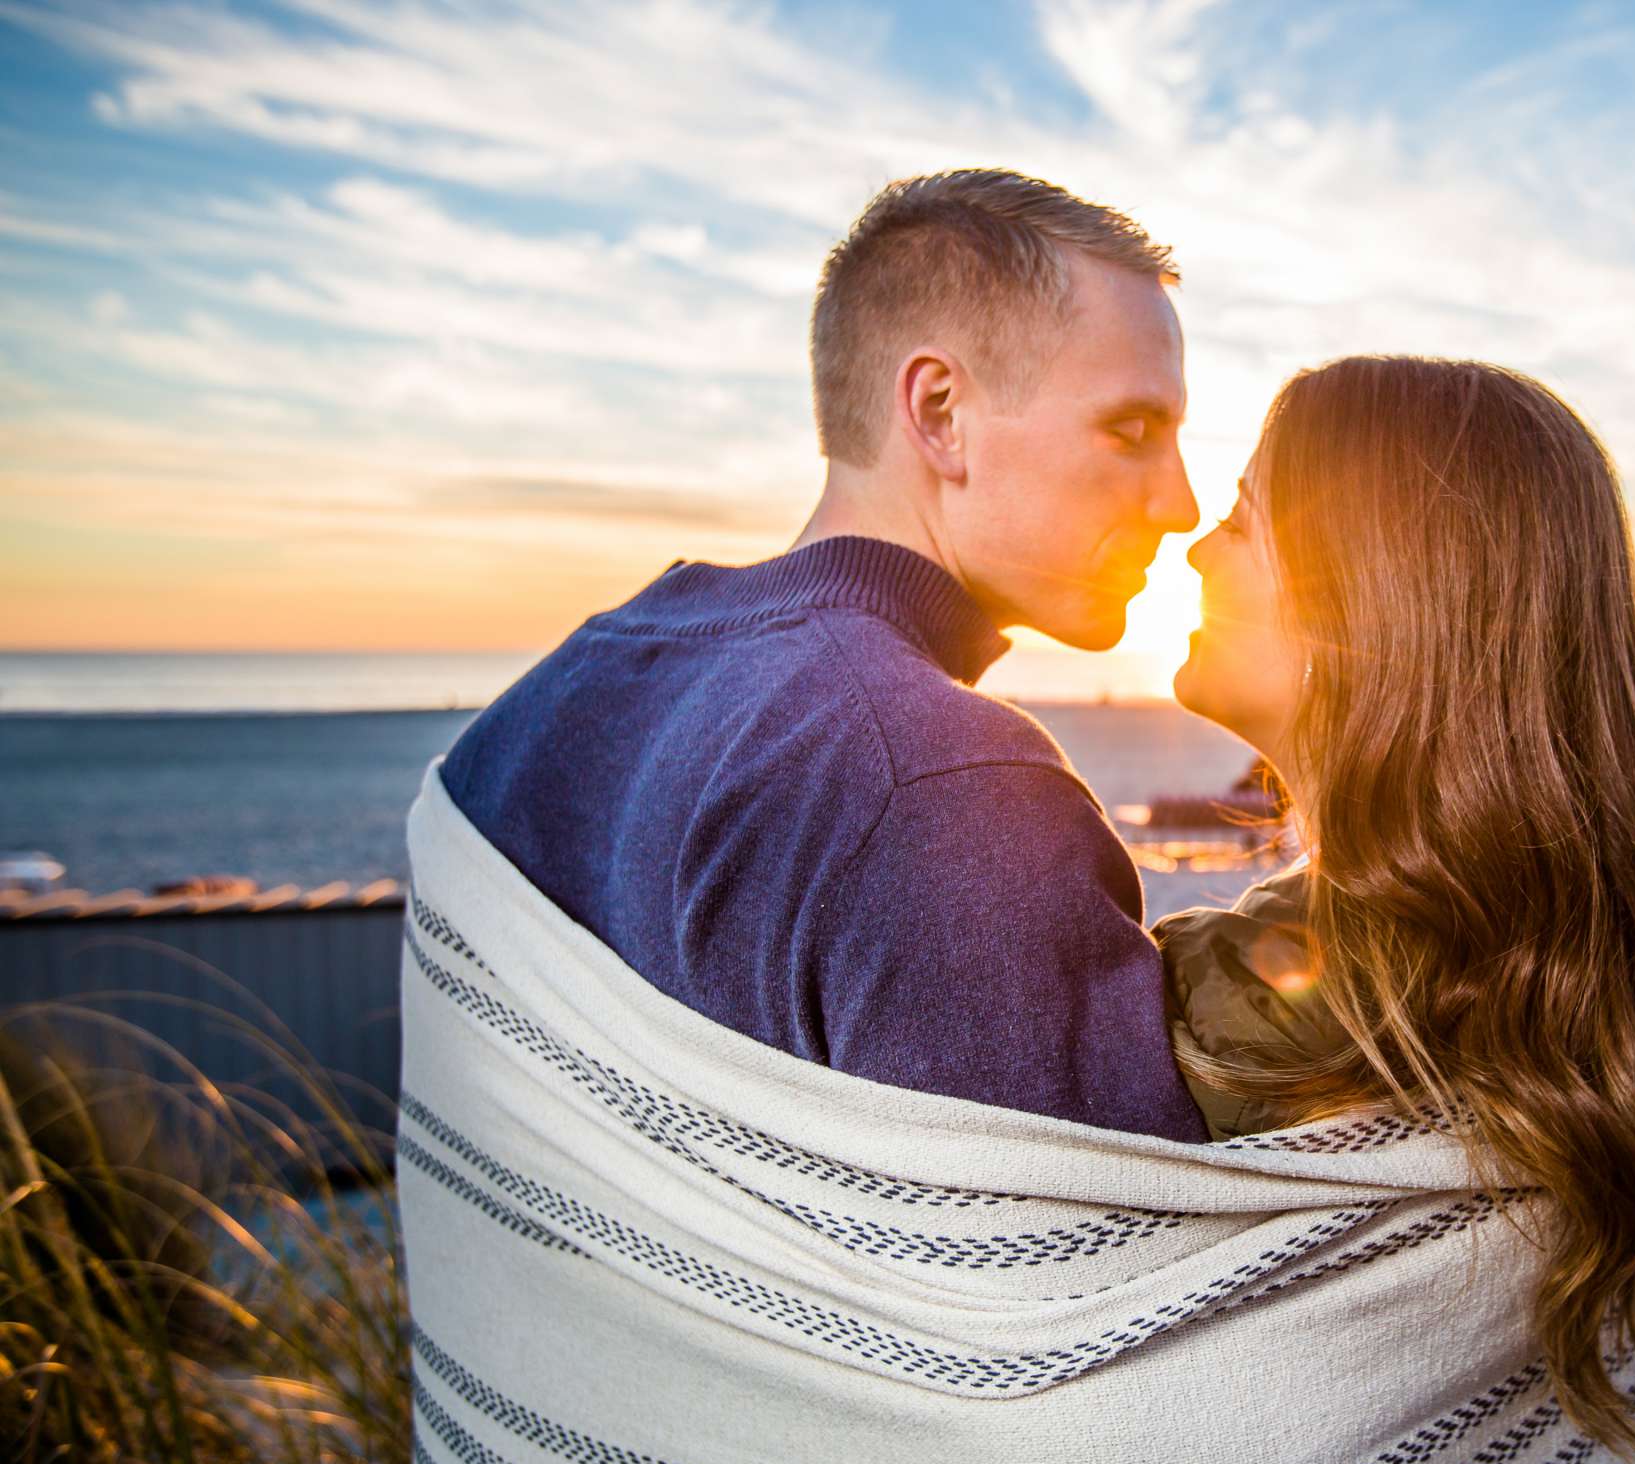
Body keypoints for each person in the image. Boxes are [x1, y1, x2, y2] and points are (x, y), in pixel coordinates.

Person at [436, 168, 1210, 1141]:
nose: (1180, 503)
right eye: (1131, 429)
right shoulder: (943, 782)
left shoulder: (529, 716)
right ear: (938, 413)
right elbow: (1127, 1273)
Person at [1158, 354, 1635, 1464]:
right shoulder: (1618, 991)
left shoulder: (1231, 1012)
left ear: (1367, 601)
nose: (1193, 548)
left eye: (1239, 522)